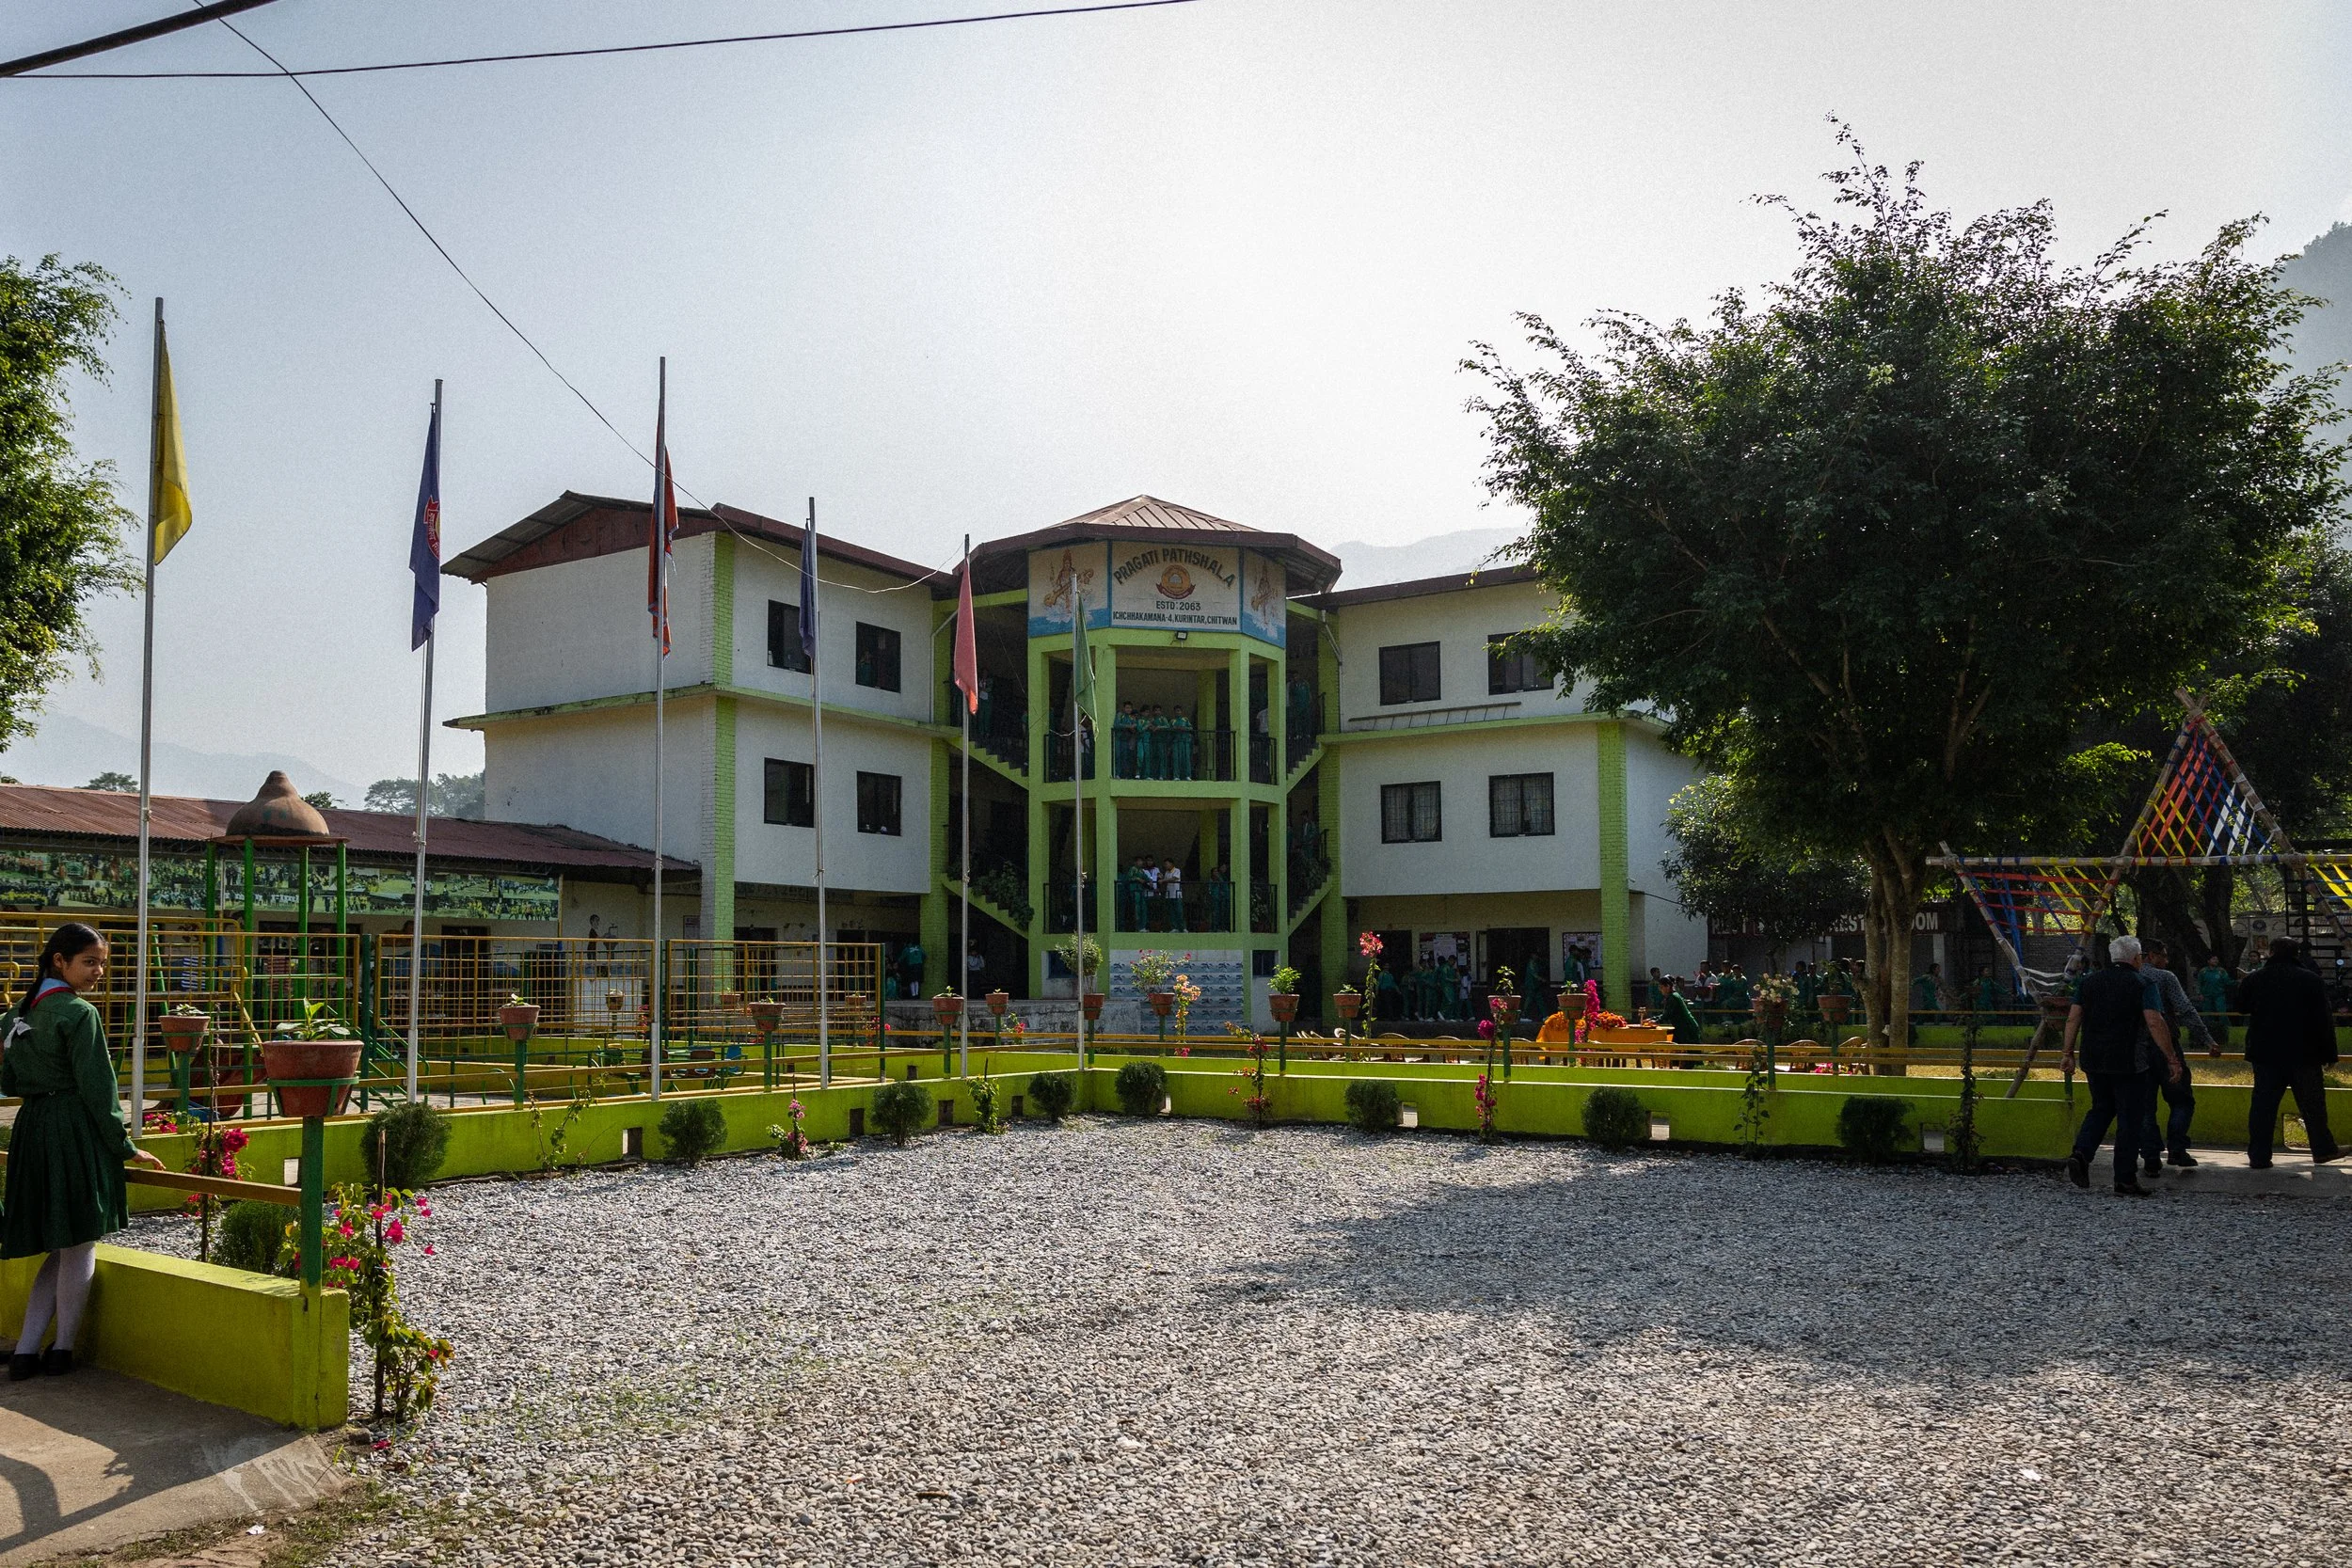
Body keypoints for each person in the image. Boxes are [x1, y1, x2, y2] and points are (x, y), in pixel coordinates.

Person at [2, 923, 167, 1377]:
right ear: (60, 960)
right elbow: (99, 1090)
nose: (98, 972)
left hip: (32, 1129)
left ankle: (25, 1351)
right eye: (90, 962)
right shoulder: (78, 1014)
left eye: (102, 963)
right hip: (73, 1130)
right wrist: (125, 1146)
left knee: (61, 1245)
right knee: (80, 1241)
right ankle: (63, 1350)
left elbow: (10, 1081)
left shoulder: (17, 1014)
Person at [2060, 935, 2182, 1196]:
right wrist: (2171, 1057)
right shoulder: (2143, 983)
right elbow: (2154, 1022)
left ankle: (2081, 1153)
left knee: (2101, 1108)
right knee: (2130, 1118)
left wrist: (2068, 1052)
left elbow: (2073, 1019)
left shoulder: (2089, 982)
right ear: (2137, 958)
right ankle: (2124, 1179)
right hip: (2130, 1061)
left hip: (2093, 1059)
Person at [2236, 937, 2341, 1168]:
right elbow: (2324, 1020)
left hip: (2265, 1054)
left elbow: (2241, 1007)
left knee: (2263, 1106)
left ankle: (2259, 1156)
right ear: (2296, 954)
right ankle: (2322, 1150)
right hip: (2304, 1053)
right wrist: (2330, 1054)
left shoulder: (2256, 979)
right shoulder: (2311, 980)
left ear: (2271, 952)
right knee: (2312, 1105)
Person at [2134, 940, 2217, 1171]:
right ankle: (2177, 1149)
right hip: (2167, 1045)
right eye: (2164, 955)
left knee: (2145, 1105)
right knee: (2181, 1099)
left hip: (2137, 1049)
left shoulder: (2129, 979)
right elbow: (2186, 1009)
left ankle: (2150, 1156)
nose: (2166, 961)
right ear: (2151, 955)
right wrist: (2207, 1039)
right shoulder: (2164, 978)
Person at [2195, 956, 2233, 1050]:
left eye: (2217, 959)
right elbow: (2199, 983)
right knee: (2207, 1014)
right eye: (2213, 959)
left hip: (2219, 995)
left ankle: (2226, 1030)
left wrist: (2237, 982)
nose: (2215, 961)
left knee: (2222, 1013)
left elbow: (2227, 981)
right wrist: (2199, 993)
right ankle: (2206, 1033)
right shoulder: (2203, 971)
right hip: (2207, 996)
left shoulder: (2221, 971)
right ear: (2208, 961)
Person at [1657, 975, 1704, 1047]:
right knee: (1676, 1052)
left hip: (1687, 1029)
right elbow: (1666, 1014)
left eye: (1662, 987)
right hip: (1682, 1029)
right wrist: (1653, 1019)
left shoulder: (1673, 997)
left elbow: (1667, 1015)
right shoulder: (1674, 995)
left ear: (1668, 986)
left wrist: (1655, 1021)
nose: (1660, 990)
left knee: (1692, 1054)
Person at [1111, 701, 1139, 779]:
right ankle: (1117, 774)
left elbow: (1135, 726)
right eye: (1127, 708)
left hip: (1127, 740)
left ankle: (1125, 775)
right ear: (1124, 708)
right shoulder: (1120, 715)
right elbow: (1116, 725)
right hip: (1118, 739)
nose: (1128, 710)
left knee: (1126, 757)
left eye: (1130, 708)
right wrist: (1128, 726)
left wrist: (1133, 727)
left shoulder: (1131, 717)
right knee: (1118, 756)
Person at [1168, 705, 1195, 781]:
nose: (1178, 712)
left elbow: (1190, 728)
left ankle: (1187, 776)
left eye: (1179, 711)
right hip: (1176, 742)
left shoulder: (1185, 720)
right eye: (1176, 711)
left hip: (1185, 742)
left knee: (1186, 759)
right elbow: (1169, 731)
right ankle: (1176, 776)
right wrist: (1175, 729)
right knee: (1176, 759)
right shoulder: (1172, 721)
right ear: (1174, 712)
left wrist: (1184, 728)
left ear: (1181, 712)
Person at [1159, 858, 1186, 932]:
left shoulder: (1177, 870)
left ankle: (1183, 928)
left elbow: (1174, 879)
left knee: (1179, 912)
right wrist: (1162, 878)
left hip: (1176, 894)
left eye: (1166, 864)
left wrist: (1163, 880)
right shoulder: (1167, 872)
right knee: (1171, 912)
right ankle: (1174, 928)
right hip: (1169, 894)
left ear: (1171, 864)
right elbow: (1165, 881)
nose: (1165, 866)